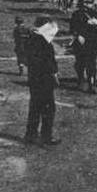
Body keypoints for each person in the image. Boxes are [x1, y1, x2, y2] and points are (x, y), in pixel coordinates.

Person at [24, 16, 60, 146]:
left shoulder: (32, 39)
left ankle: (31, 135)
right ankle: (46, 136)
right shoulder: (42, 42)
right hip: (44, 79)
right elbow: (48, 62)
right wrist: (54, 73)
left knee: (35, 107)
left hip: (34, 78)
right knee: (48, 109)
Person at [71, 0, 97, 94]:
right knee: (80, 62)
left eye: (91, 3)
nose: (91, 5)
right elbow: (73, 28)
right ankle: (81, 80)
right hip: (81, 41)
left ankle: (91, 83)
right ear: (84, 3)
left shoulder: (94, 13)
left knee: (92, 63)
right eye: (88, 3)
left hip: (92, 41)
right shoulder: (77, 14)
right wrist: (80, 33)